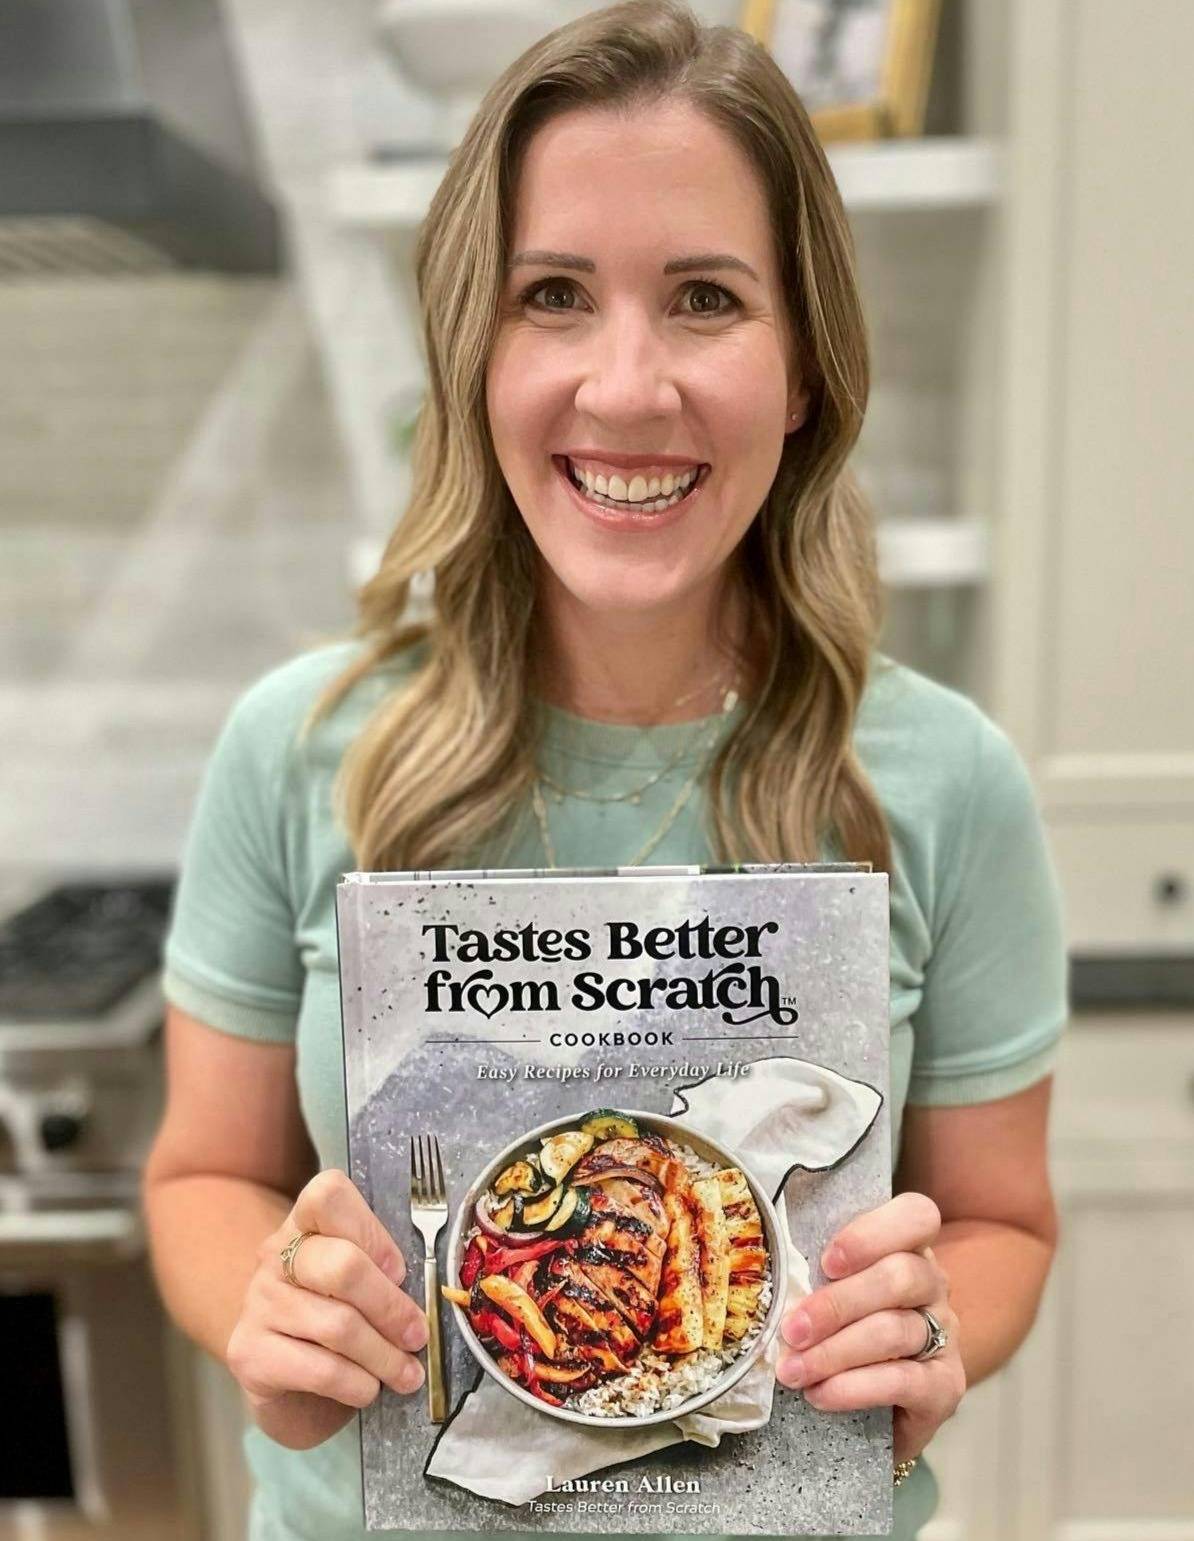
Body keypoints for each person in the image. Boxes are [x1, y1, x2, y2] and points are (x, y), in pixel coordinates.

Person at [141, 3, 1068, 1538]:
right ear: (470, 350)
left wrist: (925, 1325)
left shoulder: (945, 780)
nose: (626, 387)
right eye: (553, 296)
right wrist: (275, 1302)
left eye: (703, 297)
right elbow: (196, 1175)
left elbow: (1003, 1218)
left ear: (804, 370)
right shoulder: (298, 747)